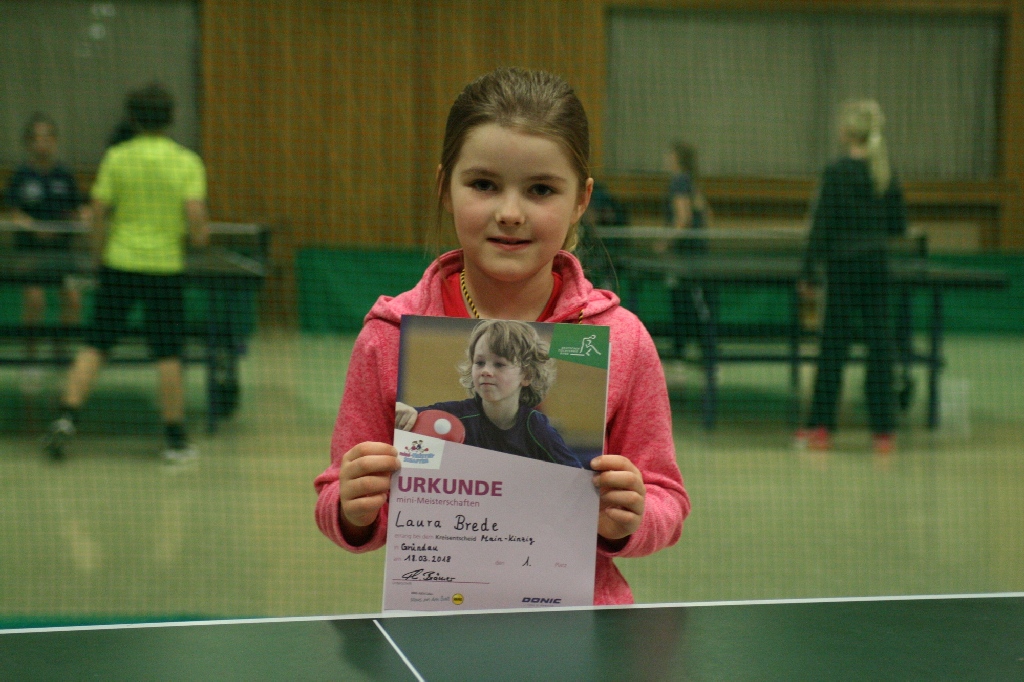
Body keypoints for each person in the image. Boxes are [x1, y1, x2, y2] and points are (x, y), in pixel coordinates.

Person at [314, 67, 689, 606]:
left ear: (581, 200)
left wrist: (630, 517)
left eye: (541, 190)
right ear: (444, 188)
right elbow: (335, 495)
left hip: (578, 627)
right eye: (484, 185)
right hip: (438, 624)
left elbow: (667, 500)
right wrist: (352, 507)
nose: (510, 213)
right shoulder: (388, 335)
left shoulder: (622, 340)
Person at [44, 83, 210, 462]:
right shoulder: (186, 161)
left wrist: (98, 254)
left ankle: (66, 418)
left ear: (132, 118)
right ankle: (174, 440)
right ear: (171, 118)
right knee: (168, 353)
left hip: (119, 266)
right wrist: (198, 239)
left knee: (95, 345)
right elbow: (195, 215)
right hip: (164, 270)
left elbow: (98, 212)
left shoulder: (117, 157)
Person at [798, 100, 907, 455]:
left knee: (833, 346)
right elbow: (898, 225)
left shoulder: (835, 172)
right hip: (876, 266)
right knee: (880, 347)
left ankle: (821, 428)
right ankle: (884, 432)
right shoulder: (885, 173)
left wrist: (808, 270)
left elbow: (821, 225)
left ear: (847, 132)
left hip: (843, 268)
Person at [395, 319, 585, 468]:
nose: (486, 371)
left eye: (499, 364)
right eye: (479, 363)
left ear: (526, 375)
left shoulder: (536, 428)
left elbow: (576, 480)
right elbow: (402, 418)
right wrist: (402, 411)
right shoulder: (454, 415)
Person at [3, 113, 88, 373]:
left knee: (74, 300)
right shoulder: (21, 175)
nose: (43, 143)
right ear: (29, 143)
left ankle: (60, 353)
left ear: (55, 141)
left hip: (63, 253)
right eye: (37, 138)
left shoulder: (65, 175)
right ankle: (30, 357)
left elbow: (77, 209)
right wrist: (32, 226)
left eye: (48, 137)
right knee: (35, 301)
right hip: (30, 253)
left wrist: (85, 216)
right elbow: (11, 212)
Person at [663, 141, 715, 360]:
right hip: (698, 252)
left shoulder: (679, 181)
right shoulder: (692, 182)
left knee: (682, 299)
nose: (666, 159)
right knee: (696, 300)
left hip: (684, 254)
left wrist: (665, 241)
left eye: (669, 156)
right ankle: (704, 348)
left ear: (676, 158)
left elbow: (683, 218)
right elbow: (708, 215)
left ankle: (682, 349)